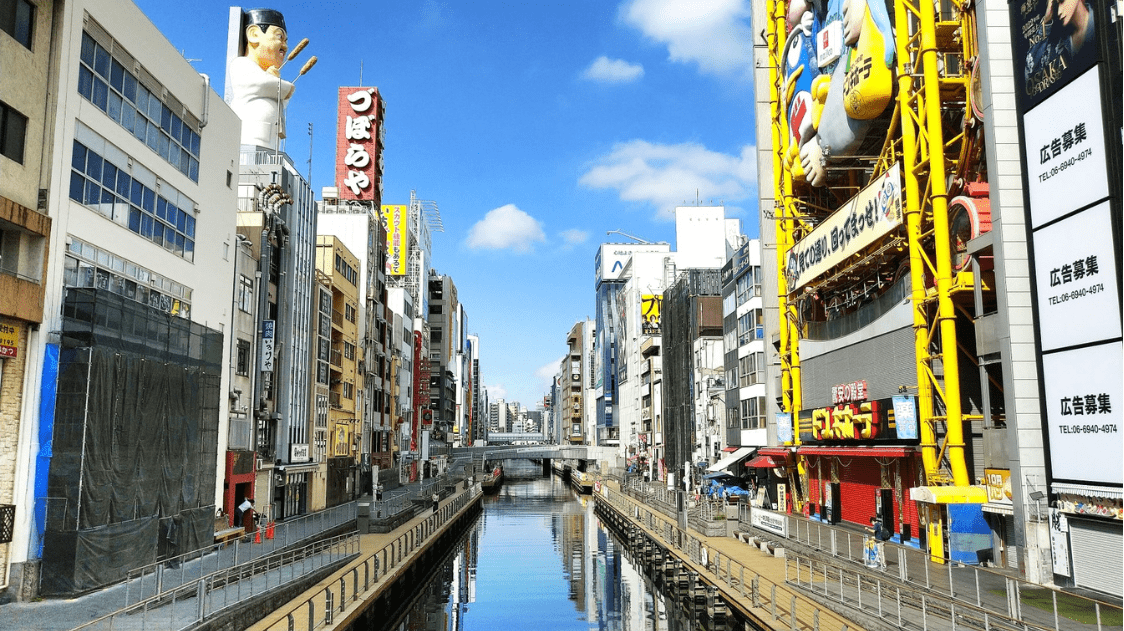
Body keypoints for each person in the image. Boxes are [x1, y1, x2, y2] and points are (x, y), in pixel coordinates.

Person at [227, 9, 294, 149]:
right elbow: (262, 84)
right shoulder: (241, 64)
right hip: (248, 141)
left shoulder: (265, 74)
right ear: (254, 34)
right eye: (279, 37)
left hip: (269, 143)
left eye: (286, 41)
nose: (285, 46)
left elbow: (283, 101)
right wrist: (285, 87)